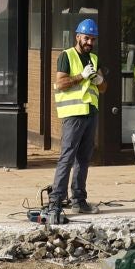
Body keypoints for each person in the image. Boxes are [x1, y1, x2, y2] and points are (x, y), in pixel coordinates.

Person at [48, 17, 104, 223]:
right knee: (67, 157)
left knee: (83, 158)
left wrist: (99, 80)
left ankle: (79, 200)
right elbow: (61, 83)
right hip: (73, 115)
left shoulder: (94, 59)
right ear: (78, 36)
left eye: (93, 39)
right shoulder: (66, 56)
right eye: (87, 38)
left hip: (90, 113)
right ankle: (55, 202)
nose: (90, 42)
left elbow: (102, 87)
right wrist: (81, 75)